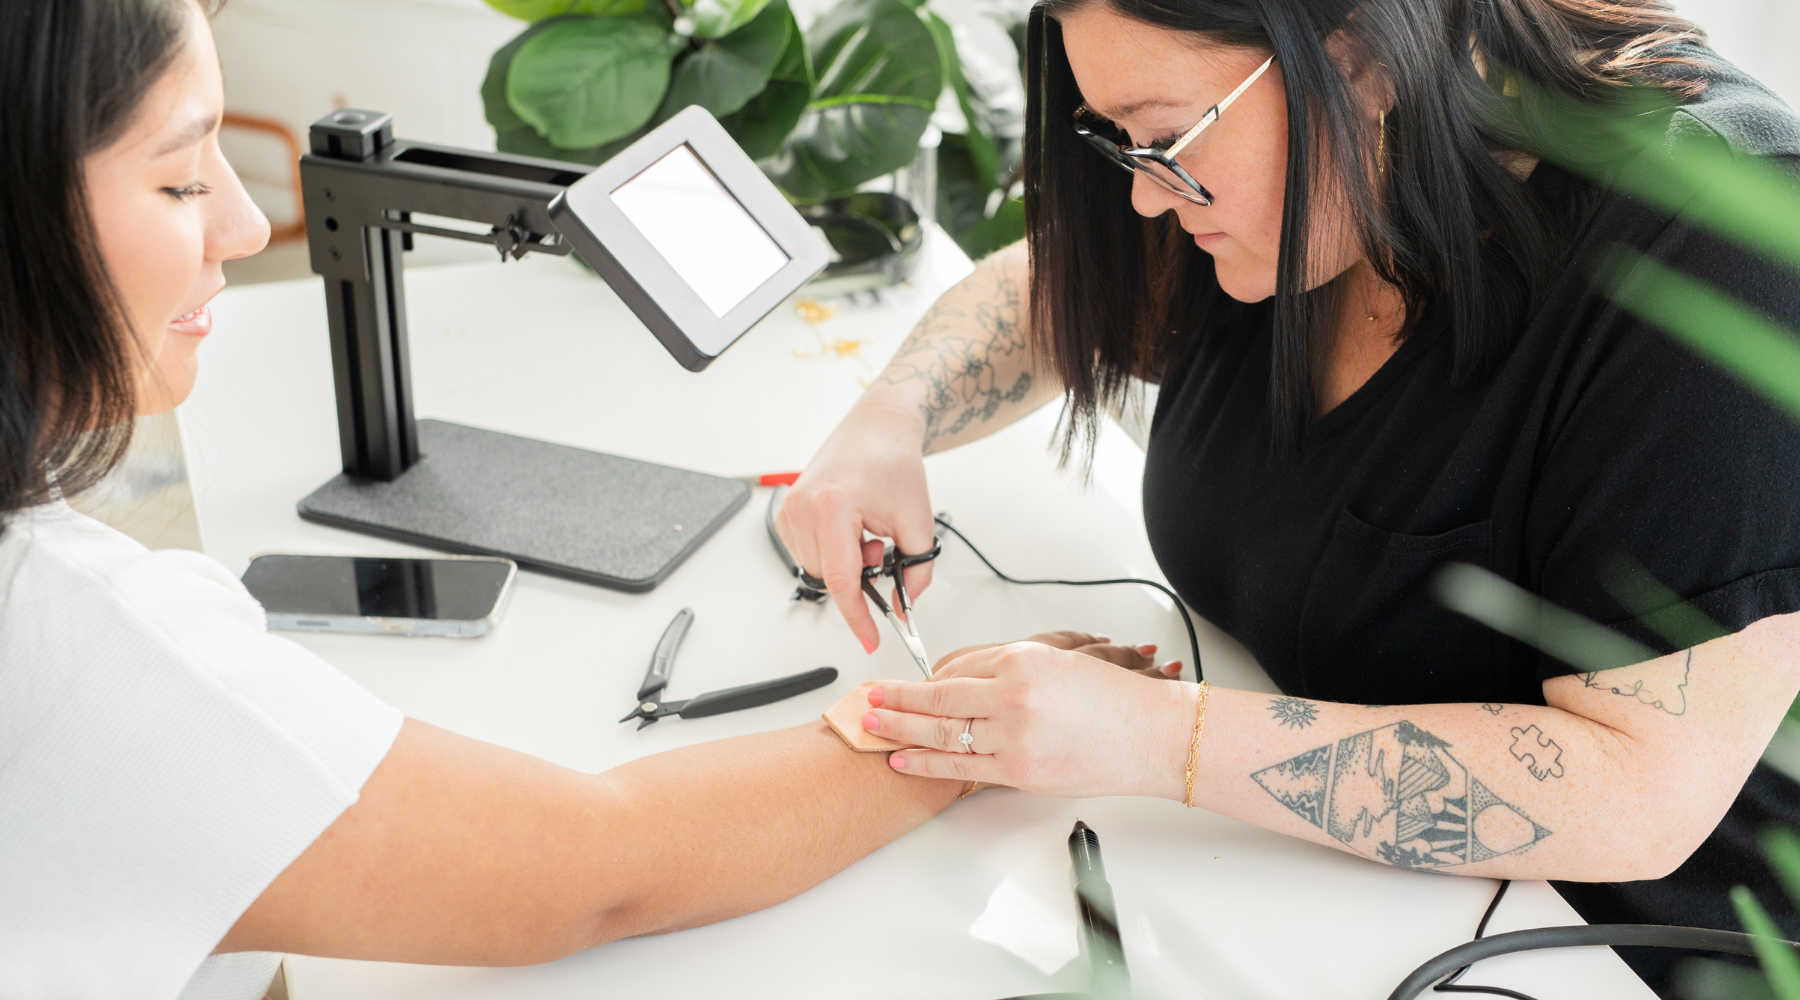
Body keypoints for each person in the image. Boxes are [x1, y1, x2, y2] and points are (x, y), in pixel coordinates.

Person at [0, 3, 1159, 997]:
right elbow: (604, 867)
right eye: (180, 176)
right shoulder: (71, 648)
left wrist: (888, 418)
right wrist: (961, 731)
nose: (249, 227)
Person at [775, 0, 1800, 993]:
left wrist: (1157, 738)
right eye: (1123, 143)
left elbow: (1640, 792)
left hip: (1612, 958)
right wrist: (890, 417)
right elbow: (1073, 286)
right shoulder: (1307, 183)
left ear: (1361, 62)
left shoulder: (1726, 248)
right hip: (1314, 898)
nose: (1144, 199)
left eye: (1168, 140)